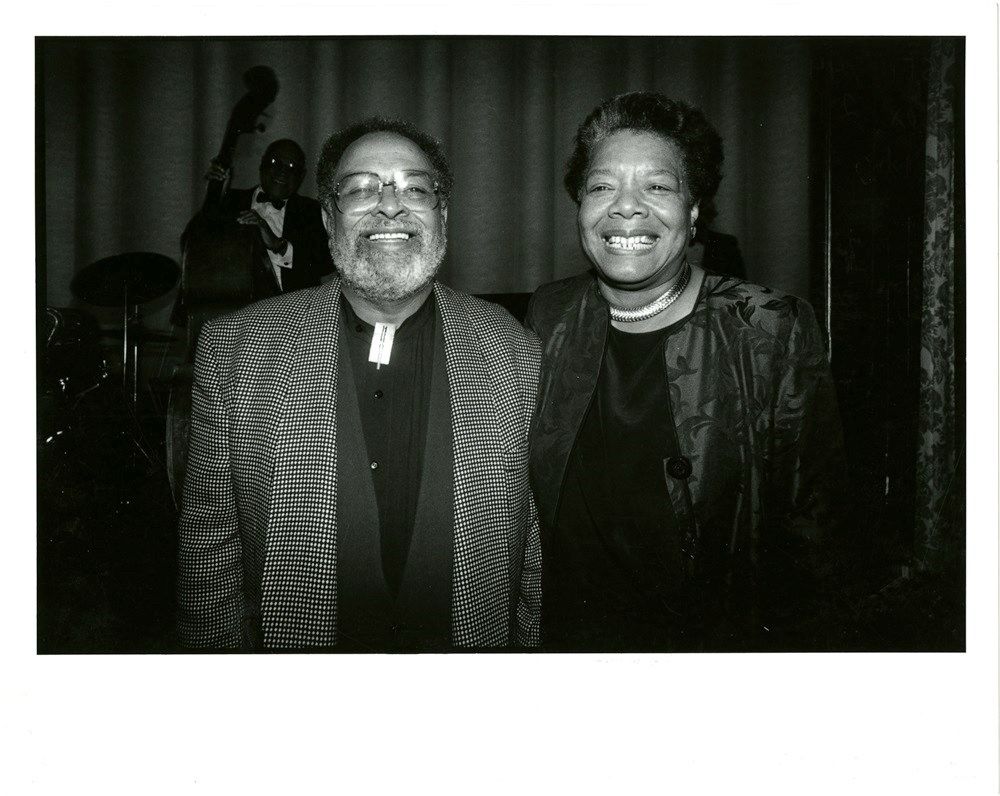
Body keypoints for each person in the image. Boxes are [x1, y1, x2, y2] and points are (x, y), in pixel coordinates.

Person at [177, 118, 541, 652]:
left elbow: (531, 554)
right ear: (328, 219)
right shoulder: (234, 350)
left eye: (416, 188)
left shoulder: (517, 352)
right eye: (361, 188)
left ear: (444, 214)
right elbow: (209, 546)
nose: (390, 205)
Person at [526, 92, 847, 652]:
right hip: (567, 642)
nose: (626, 208)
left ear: (695, 210)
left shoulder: (768, 327)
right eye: (602, 186)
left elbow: (814, 534)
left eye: (657, 186)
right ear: (579, 206)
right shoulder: (549, 314)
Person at [201, 138, 334, 296]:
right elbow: (195, 245)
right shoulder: (230, 202)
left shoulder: (312, 211)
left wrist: (278, 245)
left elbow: (326, 263)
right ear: (262, 164)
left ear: (301, 176)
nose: (282, 171)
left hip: (292, 312)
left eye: (291, 166)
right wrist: (215, 197)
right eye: (274, 161)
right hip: (236, 308)